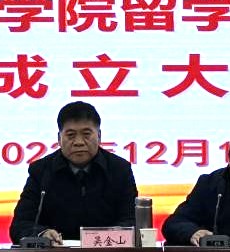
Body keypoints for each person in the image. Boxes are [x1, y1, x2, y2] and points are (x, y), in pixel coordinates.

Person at [8, 101, 138, 244]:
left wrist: (108, 236)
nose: (78, 142)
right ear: (59, 138)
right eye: (70, 135)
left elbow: (133, 222)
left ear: (99, 136)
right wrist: (42, 234)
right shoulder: (41, 171)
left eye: (86, 134)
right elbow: (20, 226)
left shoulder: (120, 170)